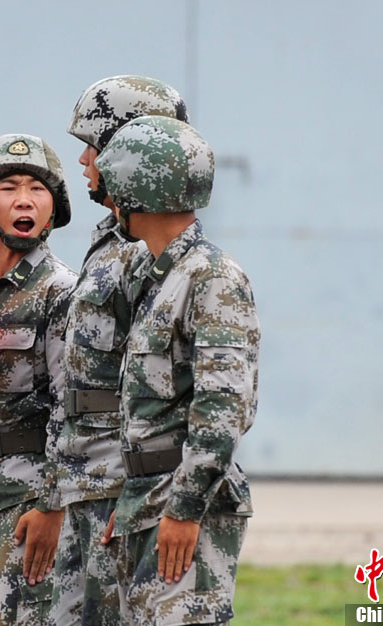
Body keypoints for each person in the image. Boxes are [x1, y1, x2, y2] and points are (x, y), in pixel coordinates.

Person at [95, 115, 260, 626]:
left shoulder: (211, 277)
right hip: (145, 497)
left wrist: (185, 508)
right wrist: (127, 500)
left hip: (185, 502)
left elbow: (222, 408)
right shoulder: (154, 274)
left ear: (133, 189)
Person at [52, 75, 190, 626]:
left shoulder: (156, 250)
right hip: (84, 478)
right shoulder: (111, 235)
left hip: (121, 482)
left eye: (96, 144)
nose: (83, 159)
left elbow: (162, 386)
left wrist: (137, 494)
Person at [0, 133, 77, 625]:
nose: (23, 198)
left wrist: (53, 505)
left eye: (36, 189)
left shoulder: (62, 291)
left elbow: (75, 409)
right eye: (8, 187)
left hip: (29, 507)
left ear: (52, 209)